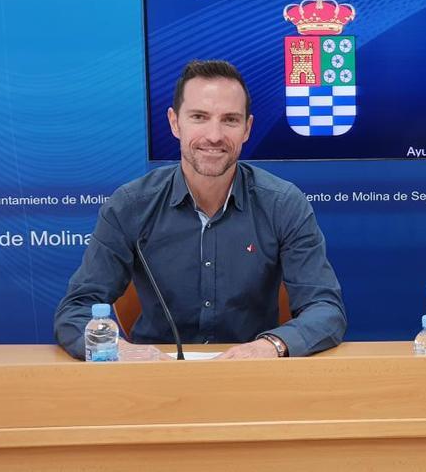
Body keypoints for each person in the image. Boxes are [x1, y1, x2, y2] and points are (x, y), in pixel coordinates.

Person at [55, 59, 346, 360]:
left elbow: (325, 309)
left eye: (230, 120)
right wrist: (119, 351)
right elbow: (75, 310)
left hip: (254, 379)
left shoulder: (283, 203)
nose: (214, 136)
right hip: (154, 381)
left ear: (247, 129)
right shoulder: (130, 206)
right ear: (174, 122)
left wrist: (270, 346)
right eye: (199, 117)